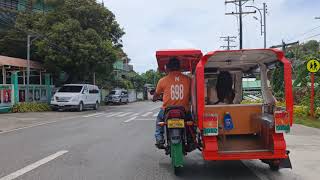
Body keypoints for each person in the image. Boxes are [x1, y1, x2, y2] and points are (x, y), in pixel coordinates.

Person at [153, 57, 191, 149]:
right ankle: (190, 139)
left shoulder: (162, 80)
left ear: (168, 67)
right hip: (184, 111)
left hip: (167, 110)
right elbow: (192, 94)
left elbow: (156, 94)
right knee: (191, 123)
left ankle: (159, 139)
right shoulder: (188, 79)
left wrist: (154, 98)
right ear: (180, 67)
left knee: (159, 121)